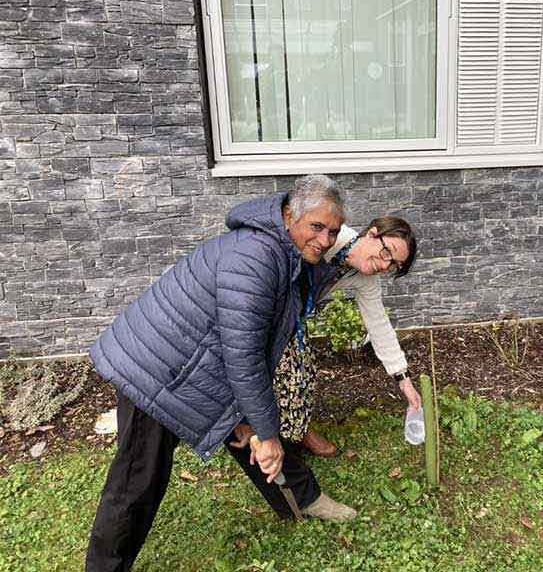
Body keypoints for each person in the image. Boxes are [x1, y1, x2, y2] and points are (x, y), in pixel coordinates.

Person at [85, 175, 353, 572]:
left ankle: (303, 500)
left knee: (254, 432)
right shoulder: (256, 257)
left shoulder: (284, 252)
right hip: (158, 373)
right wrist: (265, 431)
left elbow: (255, 348)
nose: (326, 239)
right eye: (317, 227)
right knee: (137, 482)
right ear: (288, 215)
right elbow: (243, 355)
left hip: (196, 368)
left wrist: (257, 428)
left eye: (332, 232)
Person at [300, 217, 422, 457]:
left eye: (394, 265)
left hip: (294, 313)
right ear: (372, 234)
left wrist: (404, 380)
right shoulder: (329, 238)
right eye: (388, 252)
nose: (386, 265)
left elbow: (379, 325)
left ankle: (295, 430)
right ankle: (256, 429)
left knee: (301, 369)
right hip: (266, 297)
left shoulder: (365, 277)